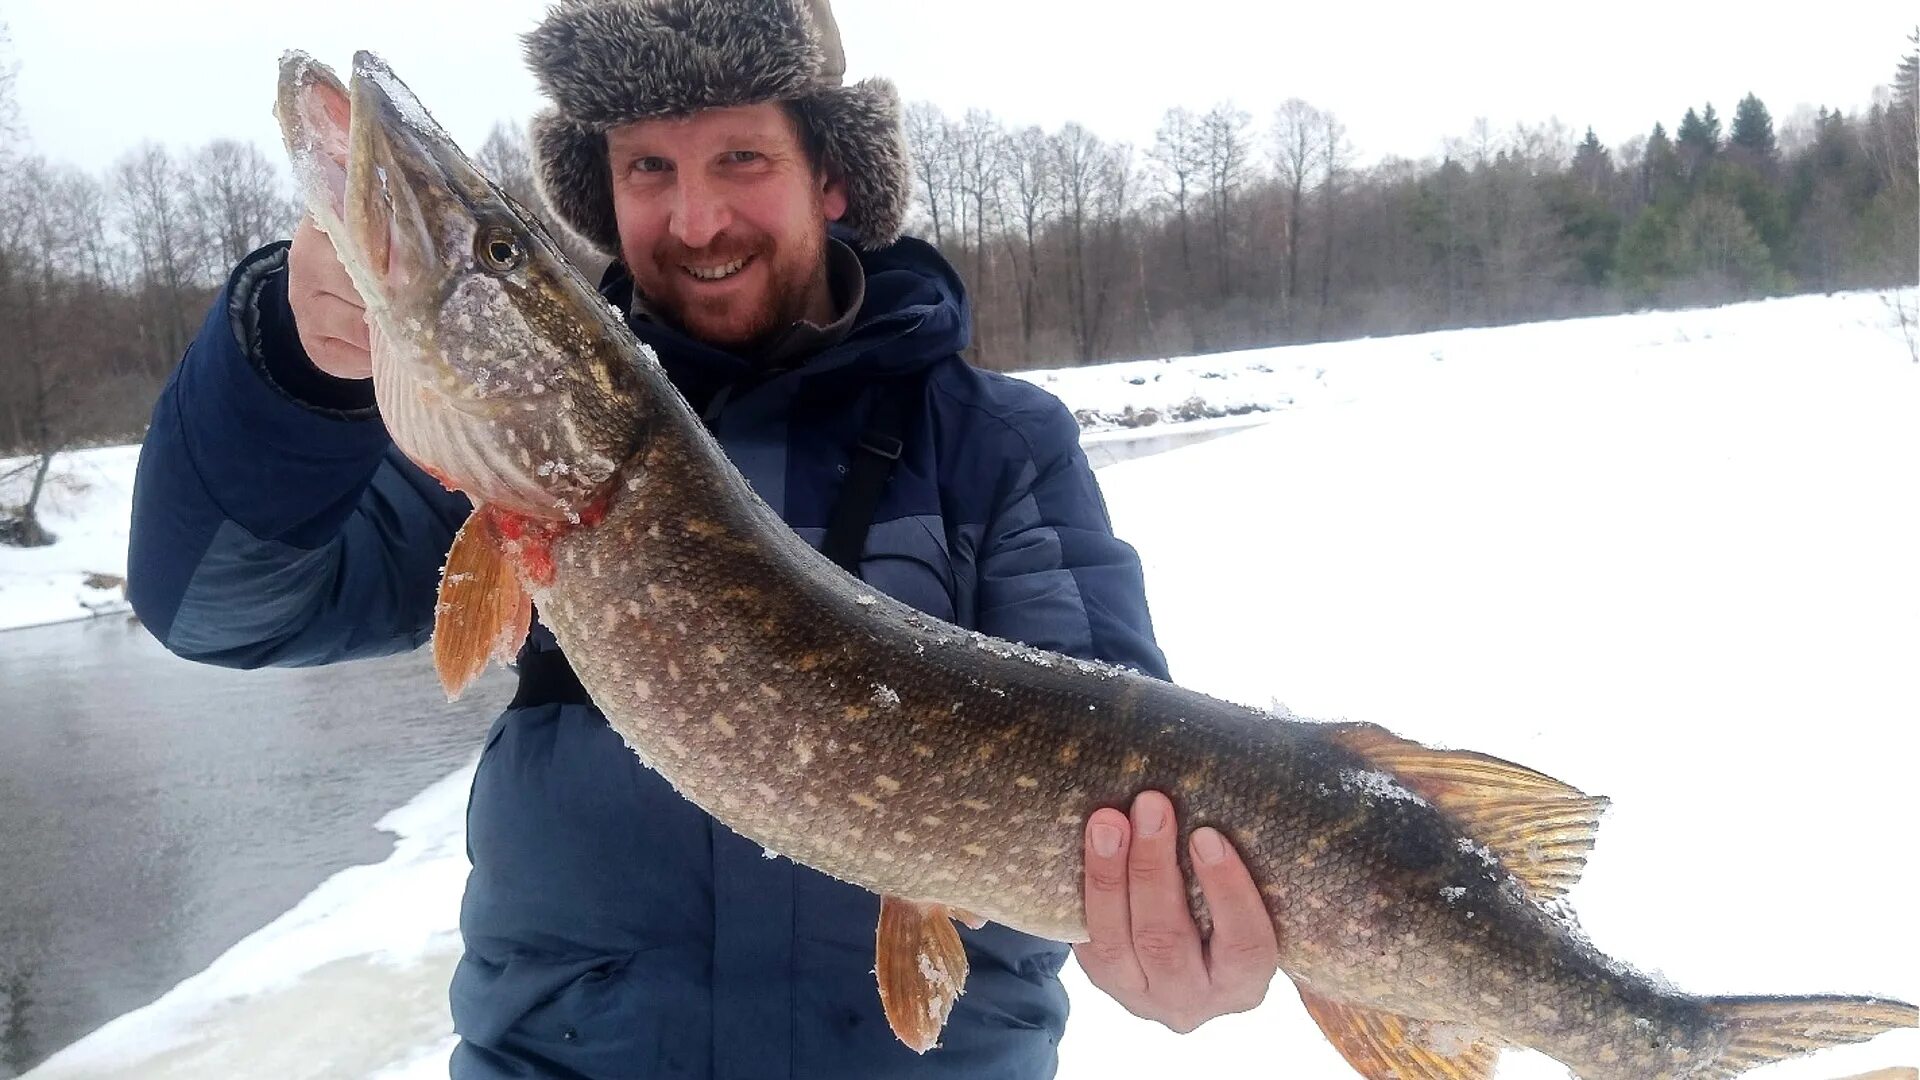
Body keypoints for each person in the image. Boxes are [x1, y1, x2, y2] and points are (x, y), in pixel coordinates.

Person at [126, 0, 1279, 1075]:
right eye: (647, 168)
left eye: (741, 158)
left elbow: (1125, 765)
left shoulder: (996, 446)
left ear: (831, 177)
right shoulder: (513, 455)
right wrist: (291, 366)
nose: (696, 218)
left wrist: (1174, 919)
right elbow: (223, 608)